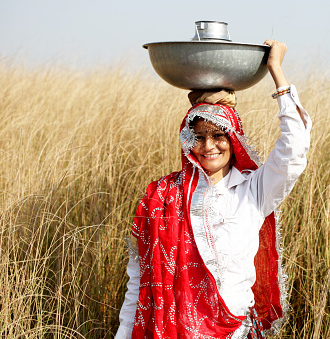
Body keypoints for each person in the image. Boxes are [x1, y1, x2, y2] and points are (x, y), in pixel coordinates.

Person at [115, 40, 311, 338]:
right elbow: (139, 281)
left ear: (233, 138)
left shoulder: (253, 191)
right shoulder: (162, 197)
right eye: (199, 136)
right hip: (174, 331)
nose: (208, 146)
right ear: (186, 139)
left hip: (237, 329)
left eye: (218, 135)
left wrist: (276, 71)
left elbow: (294, 149)